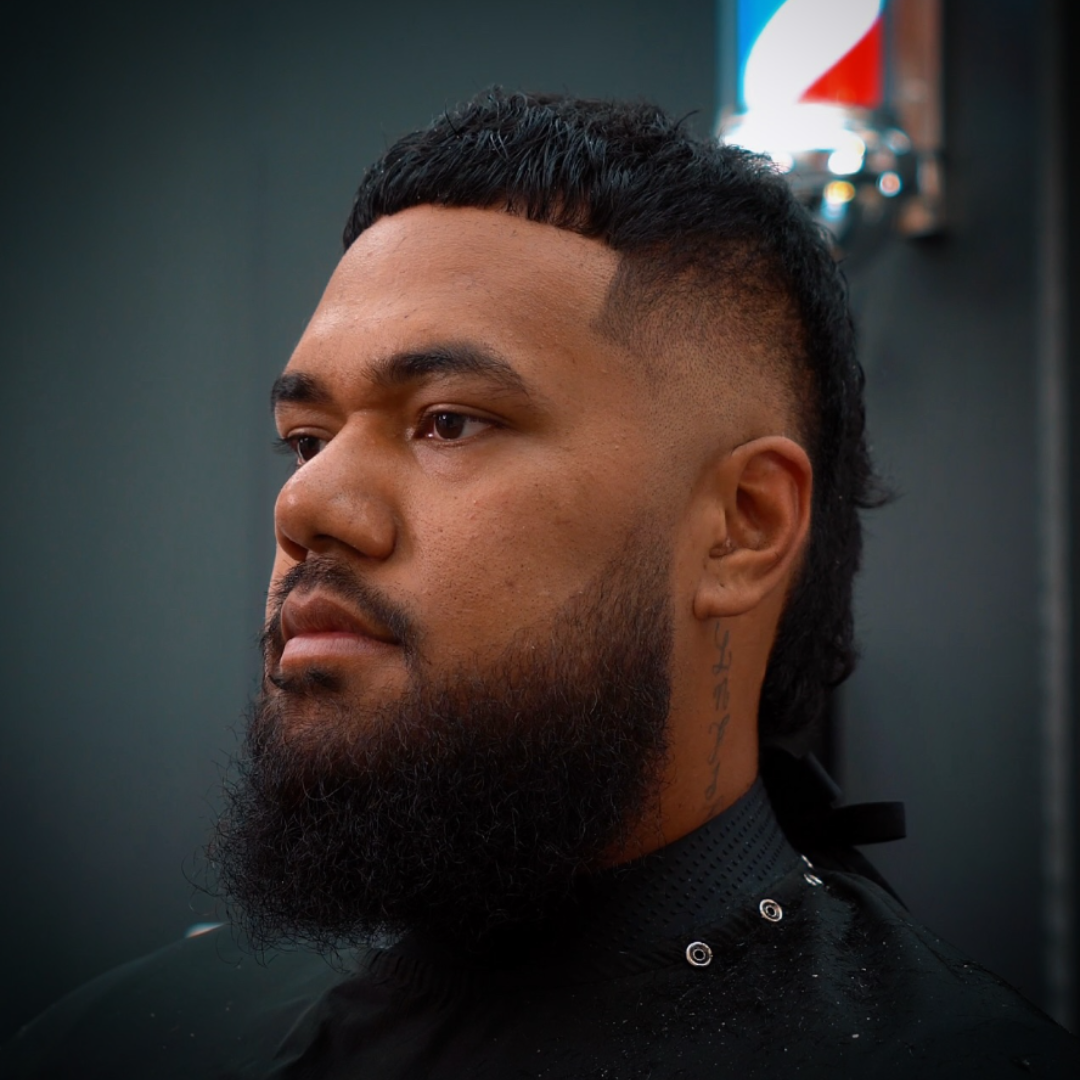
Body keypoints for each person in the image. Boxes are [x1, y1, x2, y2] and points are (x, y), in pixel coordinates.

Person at [4, 89, 1077, 1079]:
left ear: (742, 527)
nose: (306, 506)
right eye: (306, 439)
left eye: (448, 422)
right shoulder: (114, 1042)